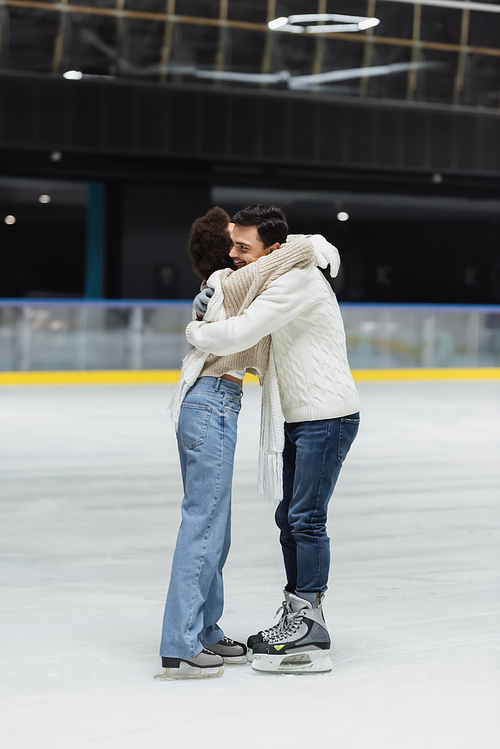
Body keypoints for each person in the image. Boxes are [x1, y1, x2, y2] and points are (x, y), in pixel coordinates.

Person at [187, 203, 361, 674]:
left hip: (326, 414)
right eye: (231, 246)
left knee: (305, 518)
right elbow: (257, 267)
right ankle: (298, 611)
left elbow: (240, 330)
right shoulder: (279, 267)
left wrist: (194, 328)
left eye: (243, 247)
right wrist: (210, 290)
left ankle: (310, 622)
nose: (234, 255)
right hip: (303, 416)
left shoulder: (294, 280)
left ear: (272, 250)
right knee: (291, 516)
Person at [156, 206, 319, 680]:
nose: (237, 249)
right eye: (233, 240)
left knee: (215, 528)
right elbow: (298, 249)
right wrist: (313, 242)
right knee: (204, 524)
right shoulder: (233, 281)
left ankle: (206, 630)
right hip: (211, 404)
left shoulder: (227, 286)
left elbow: (276, 251)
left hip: (213, 404)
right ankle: (180, 643)